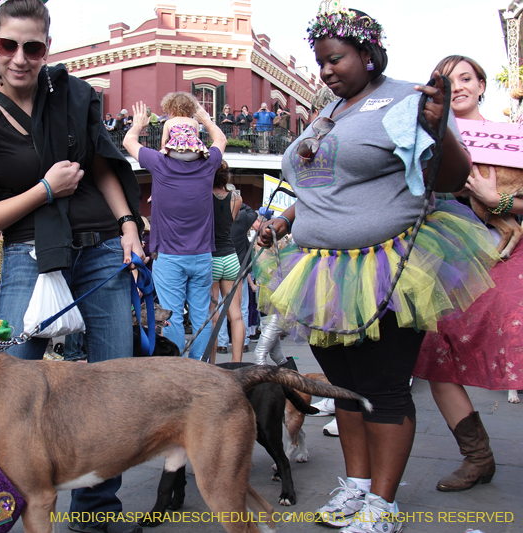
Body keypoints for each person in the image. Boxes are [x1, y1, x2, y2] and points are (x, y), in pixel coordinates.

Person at [254, 6, 498, 532]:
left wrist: (438, 128)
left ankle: (382, 507)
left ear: (368, 53)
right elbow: (320, 182)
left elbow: (452, 176)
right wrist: (284, 220)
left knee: (384, 387)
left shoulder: (411, 98)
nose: (326, 72)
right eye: (320, 63)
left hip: (388, 266)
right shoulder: (330, 110)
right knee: (342, 385)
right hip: (316, 268)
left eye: (335, 59)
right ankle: (356, 490)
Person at [0, 1, 145, 532]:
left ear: (46, 49)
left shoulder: (72, 95)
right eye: (8, 45)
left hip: (102, 247)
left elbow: (104, 165)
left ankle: (98, 511)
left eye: (32, 47)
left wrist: (128, 226)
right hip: (28, 255)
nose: (19, 58)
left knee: (112, 387)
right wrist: (44, 189)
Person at [413, 55, 523, 492]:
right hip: (446, 266)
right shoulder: (423, 143)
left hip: (507, 261)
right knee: (436, 361)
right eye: (445, 80)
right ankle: (477, 458)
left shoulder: (513, 138)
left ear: (481, 85)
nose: (456, 86)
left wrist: (494, 201)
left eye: (465, 78)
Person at [124, 96, 226, 361]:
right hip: (202, 255)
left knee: (171, 316)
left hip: (170, 256)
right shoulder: (208, 164)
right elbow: (221, 140)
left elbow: (128, 142)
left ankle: (177, 371)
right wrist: (205, 119)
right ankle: (200, 369)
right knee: (202, 316)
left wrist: (138, 124)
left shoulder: (160, 163)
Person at [208, 162, 244, 364]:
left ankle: (211, 364)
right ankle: (237, 364)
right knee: (236, 316)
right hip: (231, 257)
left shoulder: (203, 198)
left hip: (211, 257)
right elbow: (229, 223)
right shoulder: (237, 199)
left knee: (213, 316)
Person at [216, 201, 258, 356]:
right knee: (241, 308)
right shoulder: (241, 218)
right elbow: (252, 212)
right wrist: (236, 198)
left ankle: (221, 344)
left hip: (217, 261)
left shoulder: (216, 216)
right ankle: (244, 343)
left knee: (218, 308)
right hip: (238, 266)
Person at [158, 92, 210, 161]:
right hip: (194, 153)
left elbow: (163, 144)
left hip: (174, 152)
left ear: (172, 110)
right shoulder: (194, 122)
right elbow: (197, 139)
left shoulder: (168, 122)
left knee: (160, 154)